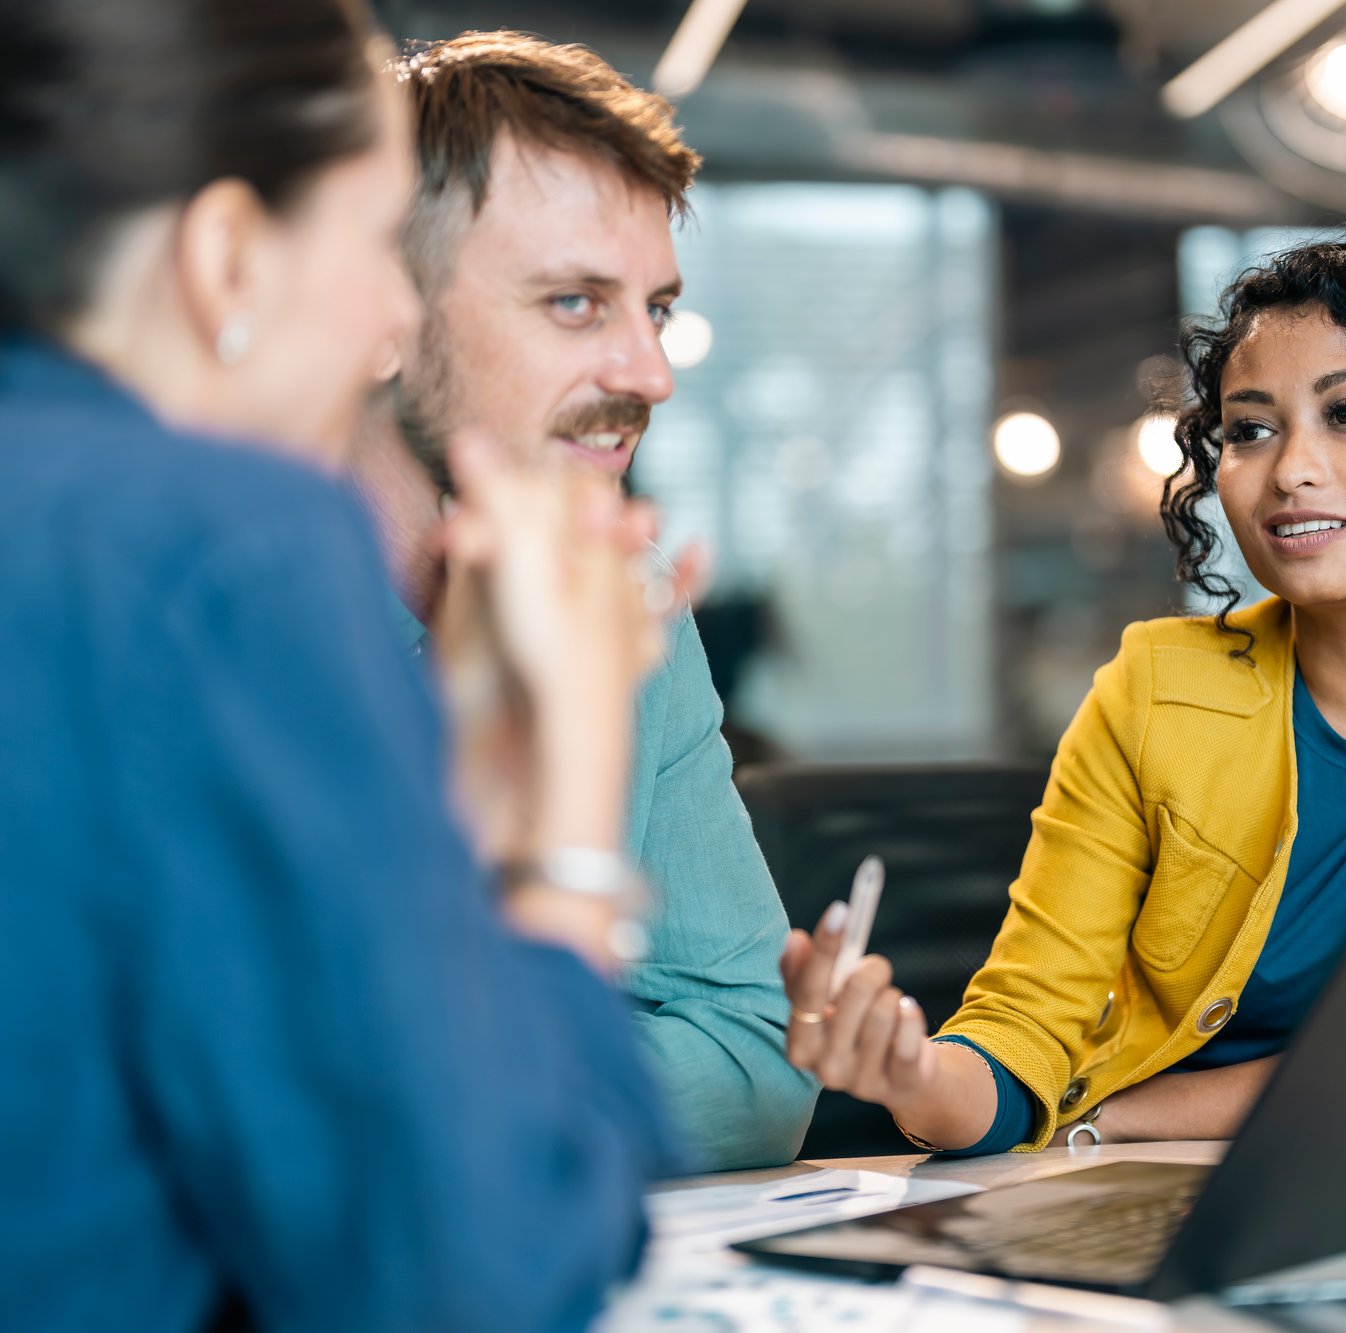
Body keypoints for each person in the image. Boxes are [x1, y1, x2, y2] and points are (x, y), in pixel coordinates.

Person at [0, 0, 685, 1327]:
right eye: (380, 244)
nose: (395, 313)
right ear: (225, 258)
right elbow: (478, 1266)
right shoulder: (228, 545)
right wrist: (570, 798)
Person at [779, 229, 1346, 1154]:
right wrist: (914, 1077)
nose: (1290, 469)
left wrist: (1106, 1117)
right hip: (1145, 1189)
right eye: (1251, 428)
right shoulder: (1152, 694)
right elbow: (1022, 1036)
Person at [350, 30, 816, 1171]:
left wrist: (511, 1107)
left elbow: (756, 1058)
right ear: (374, 313)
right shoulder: (208, 604)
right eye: (573, 303)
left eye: (654, 306)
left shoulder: (629, 595)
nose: (650, 373)